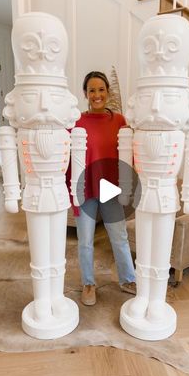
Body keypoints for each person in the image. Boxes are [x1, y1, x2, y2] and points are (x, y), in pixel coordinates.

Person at [66, 71, 136, 306]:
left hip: (111, 188)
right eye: (92, 90)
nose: (97, 95)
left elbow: (127, 156)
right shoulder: (76, 121)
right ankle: (88, 283)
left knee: (119, 237)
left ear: (108, 92)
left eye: (101, 90)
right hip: (85, 186)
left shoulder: (120, 121)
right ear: (85, 94)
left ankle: (128, 279)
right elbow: (67, 157)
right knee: (85, 240)